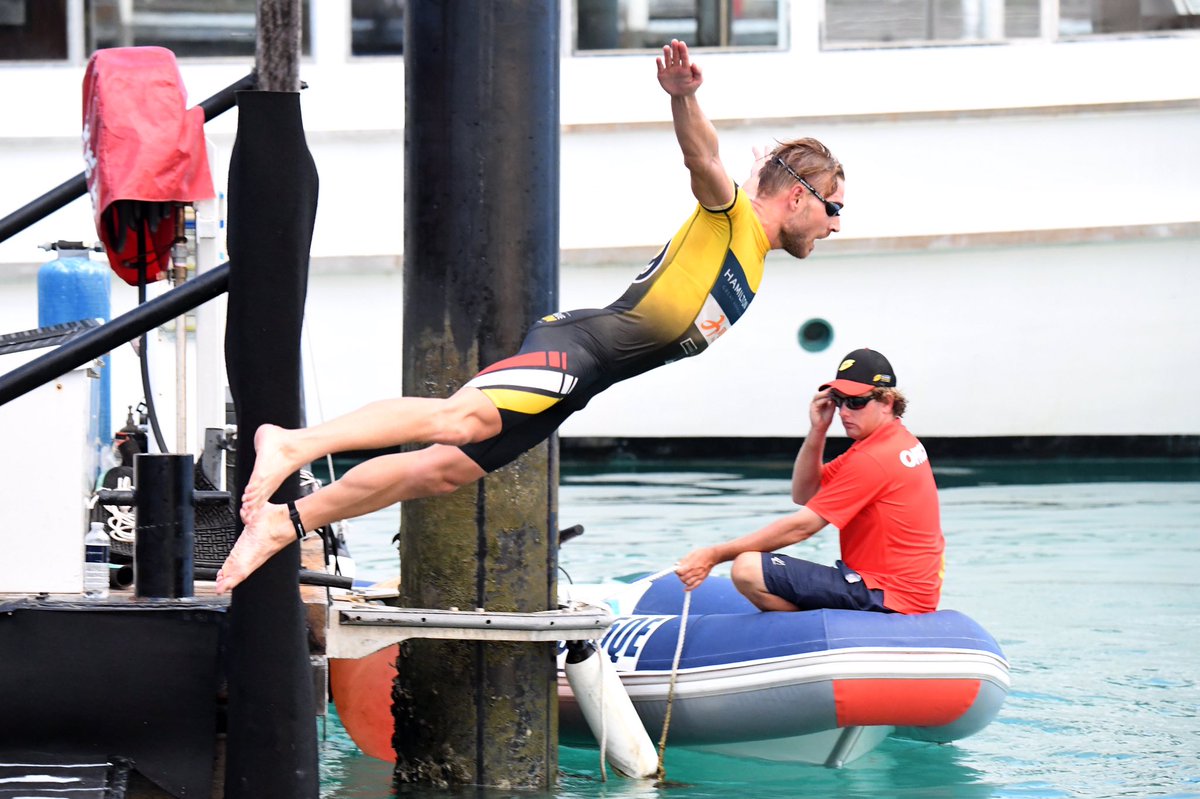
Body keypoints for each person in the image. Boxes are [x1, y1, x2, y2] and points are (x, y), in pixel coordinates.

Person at [215, 39, 846, 593]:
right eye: (834, 207)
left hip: (589, 380)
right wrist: (683, 99)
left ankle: (285, 521)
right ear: (797, 195)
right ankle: (293, 443)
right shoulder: (729, 215)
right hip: (580, 349)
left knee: (438, 472)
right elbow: (703, 159)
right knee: (456, 420)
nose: (837, 224)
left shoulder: (757, 261)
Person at [674, 348, 944, 615]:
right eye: (839, 401)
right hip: (905, 590)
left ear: (886, 402)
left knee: (747, 569)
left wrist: (714, 555)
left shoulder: (875, 457)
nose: (844, 412)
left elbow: (801, 528)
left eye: (855, 402)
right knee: (754, 566)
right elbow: (806, 493)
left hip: (888, 594)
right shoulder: (894, 441)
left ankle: (810, 636)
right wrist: (818, 430)